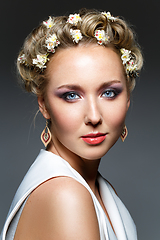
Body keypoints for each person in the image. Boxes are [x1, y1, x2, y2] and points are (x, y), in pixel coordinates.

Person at [0, 8, 143, 240]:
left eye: (108, 92)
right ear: (44, 105)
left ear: (127, 99)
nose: (94, 116)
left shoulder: (97, 187)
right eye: (71, 95)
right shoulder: (66, 195)